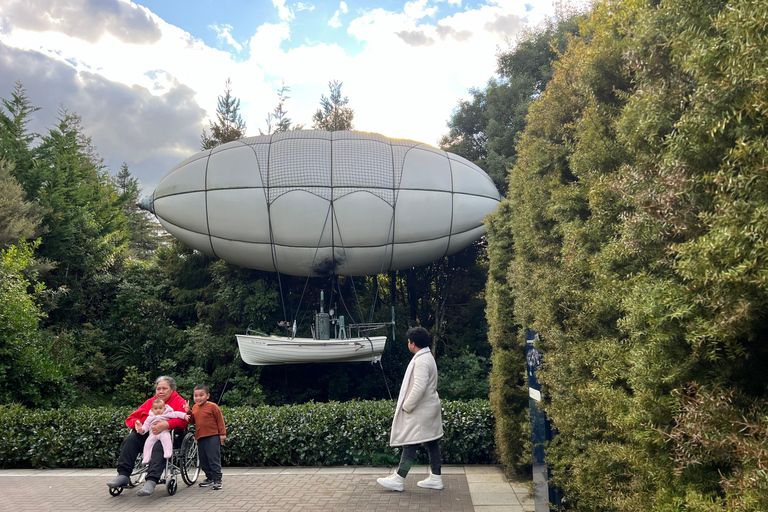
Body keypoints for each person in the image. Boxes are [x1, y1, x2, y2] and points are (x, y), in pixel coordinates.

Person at [377, 326, 444, 492]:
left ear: (413, 344)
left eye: (408, 341)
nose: (408, 344)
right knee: (431, 442)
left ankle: (399, 478)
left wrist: (407, 406)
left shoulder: (421, 361)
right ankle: (436, 477)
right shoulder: (427, 357)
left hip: (420, 410)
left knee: (409, 443)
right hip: (428, 408)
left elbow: (419, 387)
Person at [106, 376, 188, 496]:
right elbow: (131, 418)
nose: (161, 391)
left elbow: (185, 420)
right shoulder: (150, 402)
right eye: (158, 388)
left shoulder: (179, 401)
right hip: (149, 434)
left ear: (172, 390)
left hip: (171, 436)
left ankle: (151, 480)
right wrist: (137, 423)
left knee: (159, 446)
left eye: (164, 388)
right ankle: (123, 474)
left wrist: (167, 424)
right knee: (131, 439)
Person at [184, 384, 226, 490]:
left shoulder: (213, 406)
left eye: (201, 395)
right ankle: (209, 477)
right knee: (203, 459)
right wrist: (188, 411)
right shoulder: (195, 407)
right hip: (200, 437)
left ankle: (217, 480)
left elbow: (220, 421)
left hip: (212, 436)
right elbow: (193, 420)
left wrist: (222, 434)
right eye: (195, 396)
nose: (198, 398)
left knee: (213, 458)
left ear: (208, 396)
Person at [140, 399, 188, 464]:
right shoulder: (150, 417)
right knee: (148, 444)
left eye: (160, 408)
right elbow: (146, 425)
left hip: (164, 432)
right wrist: (142, 430)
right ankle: (146, 457)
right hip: (153, 434)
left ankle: (168, 452)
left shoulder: (167, 414)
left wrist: (184, 415)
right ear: (152, 410)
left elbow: (176, 414)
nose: (158, 410)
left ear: (164, 408)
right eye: (156, 408)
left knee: (166, 439)